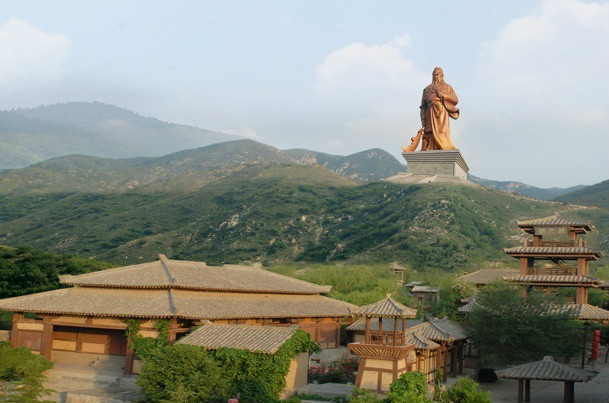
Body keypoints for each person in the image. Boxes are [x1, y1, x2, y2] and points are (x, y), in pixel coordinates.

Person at [419, 67, 459, 150]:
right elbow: (423, 107)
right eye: (433, 75)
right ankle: (429, 148)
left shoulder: (447, 87)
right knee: (429, 132)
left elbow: (455, 99)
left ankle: (443, 147)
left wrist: (444, 95)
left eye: (437, 74)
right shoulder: (427, 89)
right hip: (429, 111)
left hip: (441, 111)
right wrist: (423, 119)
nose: (435, 76)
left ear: (442, 75)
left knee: (441, 132)